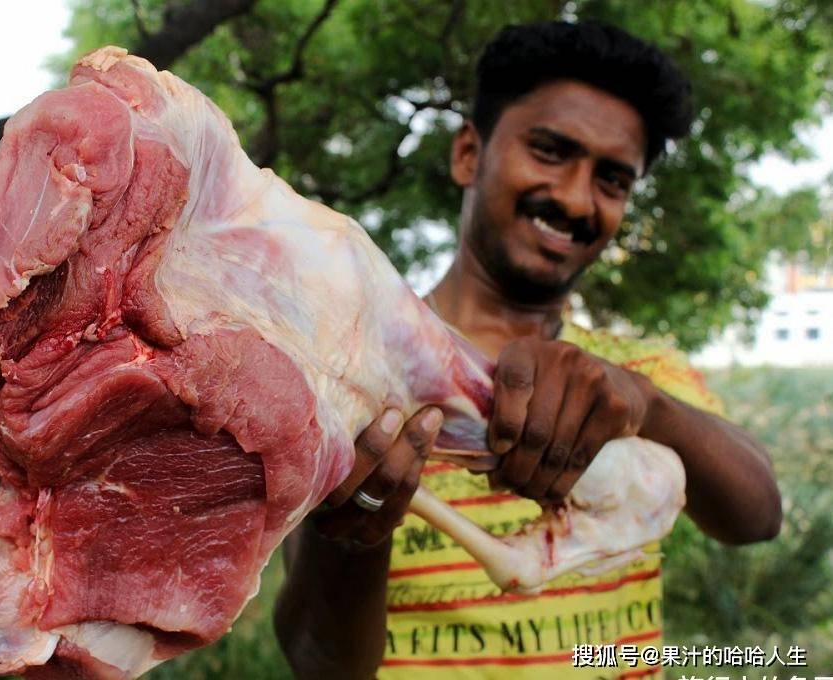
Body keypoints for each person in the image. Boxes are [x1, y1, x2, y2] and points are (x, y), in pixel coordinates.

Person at [273, 20, 782, 680]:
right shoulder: (342, 374)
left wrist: (644, 405)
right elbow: (321, 666)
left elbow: (757, 515)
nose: (575, 197)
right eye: (548, 151)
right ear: (467, 154)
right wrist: (353, 532)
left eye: (612, 180)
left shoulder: (643, 372)